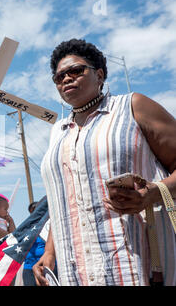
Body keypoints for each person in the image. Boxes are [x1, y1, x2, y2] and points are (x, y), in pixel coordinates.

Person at [33, 38, 176, 286]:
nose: (66, 78)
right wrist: (50, 252)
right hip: (74, 271)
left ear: (99, 75)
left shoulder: (133, 107)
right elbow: (63, 200)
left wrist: (152, 193)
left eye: (76, 71)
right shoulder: (58, 131)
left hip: (134, 265)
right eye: (59, 77)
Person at [22, 201, 47, 286]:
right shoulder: (27, 227)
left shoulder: (49, 226)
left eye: (36, 209)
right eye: (32, 211)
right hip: (29, 268)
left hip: (46, 267)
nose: (34, 212)